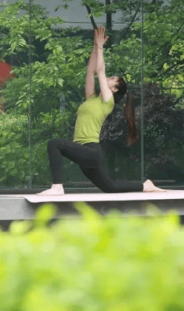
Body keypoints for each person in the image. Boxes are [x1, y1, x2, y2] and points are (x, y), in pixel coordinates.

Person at [38, 26, 165, 196]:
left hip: (91, 151)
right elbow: (91, 72)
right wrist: (94, 48)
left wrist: (100, 47)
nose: (109, 78)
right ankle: (145, 186)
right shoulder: (92, 98)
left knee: (54, 144)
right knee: (110, 187)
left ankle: (57, 187)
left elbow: (100, 71)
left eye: (113, 79)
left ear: (114, 89)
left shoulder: (107, 101)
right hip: (84, 151)